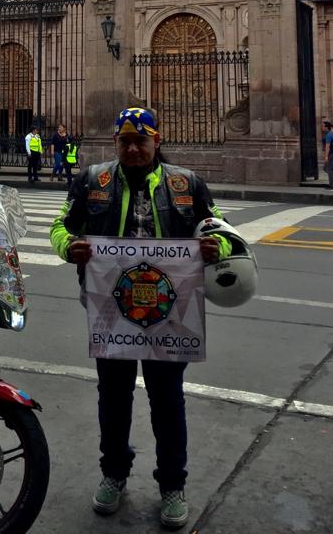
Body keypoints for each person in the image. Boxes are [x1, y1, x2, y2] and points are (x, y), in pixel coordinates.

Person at [49, 106, 231, 530]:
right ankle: (114, 474)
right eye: (125, 142)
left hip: (169, 317)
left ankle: (172, 485)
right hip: (111, 313)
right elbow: (60, 225)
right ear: (116, 143)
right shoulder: (93, 182)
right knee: (113, 399)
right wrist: (68, 246)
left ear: (156, 141)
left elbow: (220, 228)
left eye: (140, 141)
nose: (132, 149)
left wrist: (213, 248)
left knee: (168, 401)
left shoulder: (186, 184)